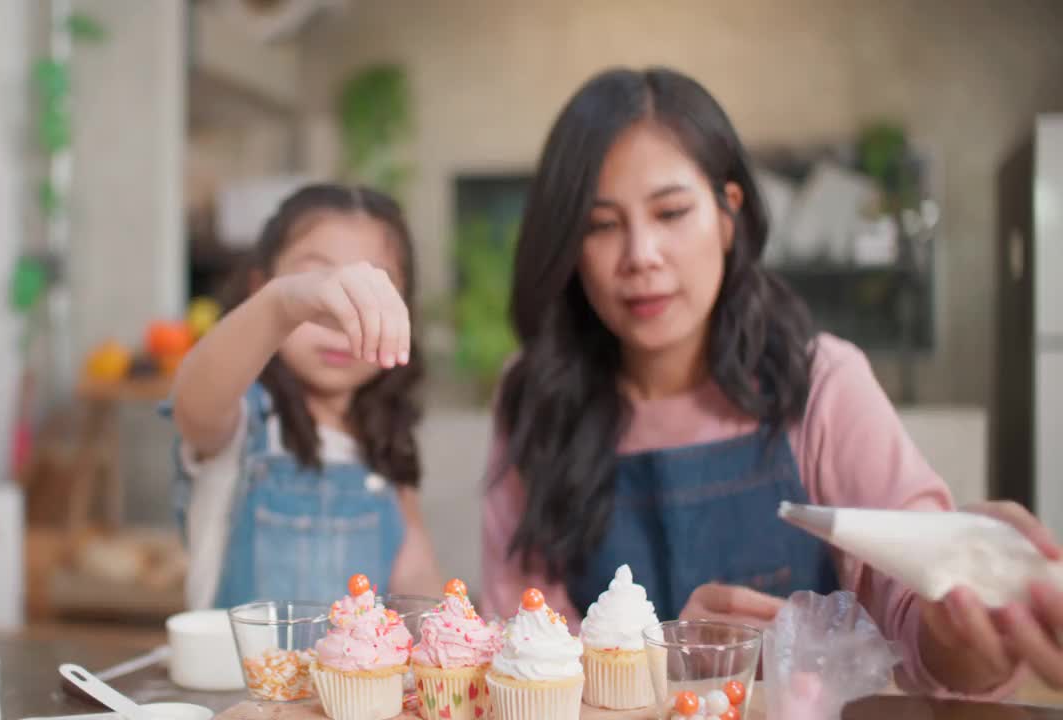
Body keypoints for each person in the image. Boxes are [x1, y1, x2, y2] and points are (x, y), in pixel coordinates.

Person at [480, 67, 1063, 697]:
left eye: (671, 212)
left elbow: (920, 624)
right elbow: (523, 648)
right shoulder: (535, 399)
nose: (641, 255)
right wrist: (673, 661)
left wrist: (962, 619)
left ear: (729, 214)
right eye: (601, 225)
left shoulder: (821, 383)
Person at [170, 183, 441, 609]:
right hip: (236, 679)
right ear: (260, 287)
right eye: (321, 283)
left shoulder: (388, 443)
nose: (338, 317)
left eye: (368, 292)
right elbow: (193, 401)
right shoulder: (245, 416)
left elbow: (417, 585)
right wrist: (284, 305)